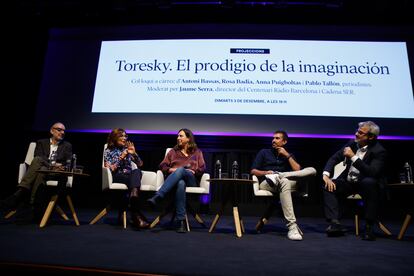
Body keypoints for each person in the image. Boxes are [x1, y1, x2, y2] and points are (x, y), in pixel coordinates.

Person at [322, 121, 386, 241]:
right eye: (357, 131)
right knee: (328, 186)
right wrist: (326, 175)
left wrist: (353, 157)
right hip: (349, 182)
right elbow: (334, 158)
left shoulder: (379, 151)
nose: (356, 134)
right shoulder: (353, 143)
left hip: (367, 185)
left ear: (370, 137)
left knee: (369, 183)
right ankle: (335, 223)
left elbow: (372, 172)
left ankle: (368, 227)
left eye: (361, 133)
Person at [251, 130, 316, 241]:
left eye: (277, 138)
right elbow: (253, 171)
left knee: (312, 170)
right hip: (268, 182)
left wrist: (287, 155)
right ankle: (292, 227)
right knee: (284, 182)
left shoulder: (289, 155)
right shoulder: (264, 152)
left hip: (284, 181)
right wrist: (266, 173)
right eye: (273, 138)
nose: (273, 140)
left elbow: (298, 170)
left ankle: (280, 175)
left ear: (284, 142)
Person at [0, 122, 72, 216]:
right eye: (59, 130)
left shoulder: (67, 145)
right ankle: (35, 204)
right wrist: (52, 164)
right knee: (39, 163)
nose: (62, 132)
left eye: (63, 131)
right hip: (42, 170)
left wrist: (56, 166)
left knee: (40, 164)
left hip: (55, 174)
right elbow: (38, 157)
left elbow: (68, 162)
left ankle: (21, 192)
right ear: (52, 131)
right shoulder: (41, 142)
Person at [147, 128, 206, 233]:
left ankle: (159, 195)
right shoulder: (173, 152)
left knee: (182, 171)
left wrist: (194, 171)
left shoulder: (197, 152)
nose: (178, 138)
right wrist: (171, 169)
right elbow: (162, 165)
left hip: (191, 181)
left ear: (188, 139)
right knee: (180, 183)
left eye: (181, 136)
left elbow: (202, 168)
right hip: (175, 181)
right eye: (178, 136)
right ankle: (181, 222)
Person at [104, 128, 149, 229]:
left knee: (137, 171)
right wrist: (121, 157)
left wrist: (134, 153)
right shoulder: (108, 150)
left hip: (130, 176)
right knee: (134, 180)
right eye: (121, 136)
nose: (124, 138)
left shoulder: (127, 149)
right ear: (115, 137)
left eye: (125, 136)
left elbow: (140, 164)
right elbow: (111, 169)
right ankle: (135, 210)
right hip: (118, 176)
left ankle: (133, 195)